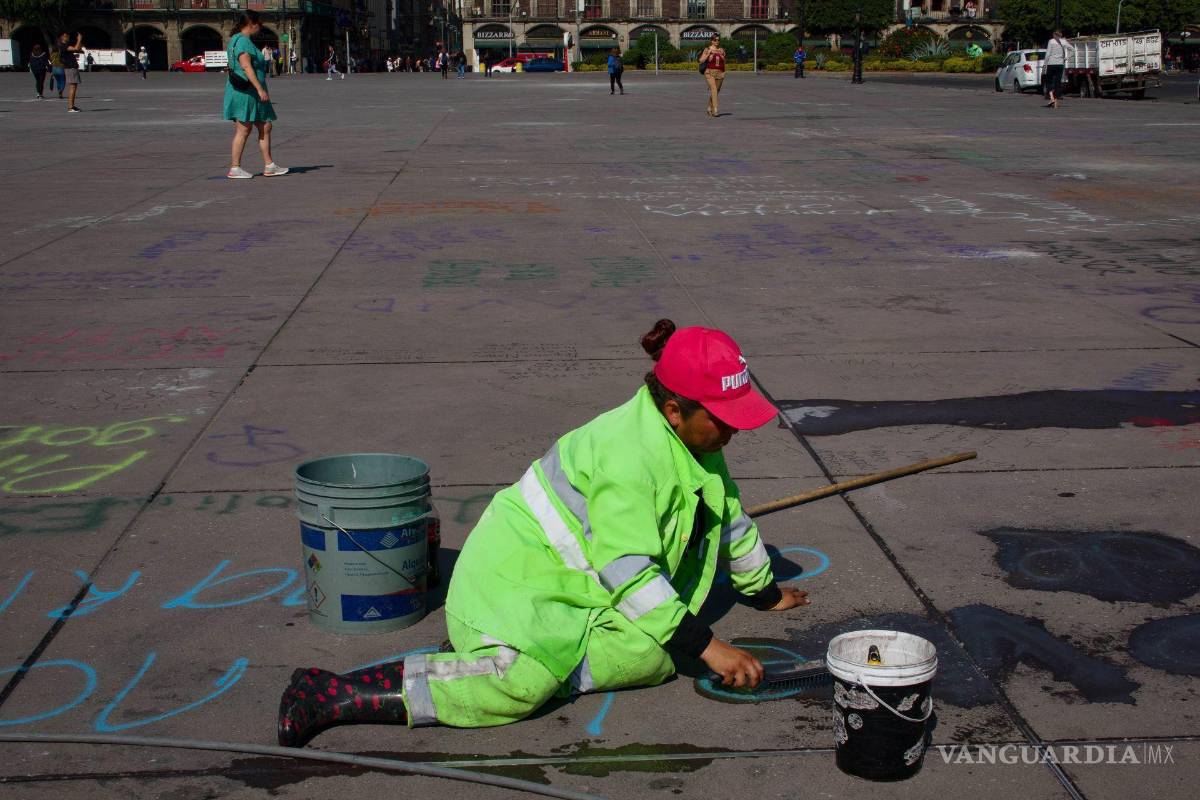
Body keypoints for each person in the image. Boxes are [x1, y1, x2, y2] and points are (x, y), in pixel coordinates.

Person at [276, 320, 810, 745]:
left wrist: (762, 594)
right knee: (525, 685)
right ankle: (334, 694)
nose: (735, 429)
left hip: (576, 580)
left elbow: (730, 518)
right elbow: (627, 568)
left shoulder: (696, 444)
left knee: (651, 657)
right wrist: (711, 646)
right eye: (724, 418)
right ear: (674, 410)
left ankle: (494, 655)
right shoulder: (628, 455)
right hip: (516, 574)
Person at [223, 11, 287, 179]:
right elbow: (246, 66)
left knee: (264, 125)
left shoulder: (235, 39)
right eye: (259, 24)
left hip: (242, 90)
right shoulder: (243, 41)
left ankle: (269, 165)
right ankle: (235, 168)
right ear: (252, 24)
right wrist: (259, 88)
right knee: (244, 128)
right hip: (248, 91)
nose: (260, 28)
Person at [1043, 29, 1072, 109]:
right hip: (1060, 64)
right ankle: (1056, 101)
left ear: (1054, 35)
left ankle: (1051, 98)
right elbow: (1072, 50)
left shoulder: (1051, 41)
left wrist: (1045, 64)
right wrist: (1066, 58)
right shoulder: (1064, 41)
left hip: (1051, 64)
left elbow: (1048, 53)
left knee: (1049, 81)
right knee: (1057, 83)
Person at [699, 34, 726, 118]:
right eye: (715, 40)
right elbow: (701, 60)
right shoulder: (707, 49)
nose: (717, 42)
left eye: (718, 40)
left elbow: (724, 60)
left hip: (720, 73)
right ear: (711, 41)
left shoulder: (721, 50)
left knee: (716, 92)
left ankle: (709, 108)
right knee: (714, 89)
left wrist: (722, 54)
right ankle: (715, 109)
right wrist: (708, 54)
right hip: (709, 72)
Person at [58, 31, 84, 113]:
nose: (67, 37)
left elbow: (78, 49)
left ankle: (72, 105)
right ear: (61, 37)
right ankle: (70, 107)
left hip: (71, 67)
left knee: (74, 87)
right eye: (65, 36)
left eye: (68, 36)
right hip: (70, 68)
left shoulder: (65, 45)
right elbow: (76, 48)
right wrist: (79, 39)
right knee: (72, 87)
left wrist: (79, 42)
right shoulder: (63, 45)